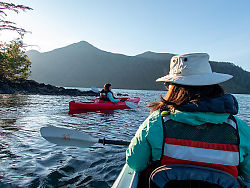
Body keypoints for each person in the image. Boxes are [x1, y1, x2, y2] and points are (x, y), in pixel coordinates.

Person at [126, 53, 250, 187]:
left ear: (173, 88)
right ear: (213, 85)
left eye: (168, 85)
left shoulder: (157, 122)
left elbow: (135, 163)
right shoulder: (239, 128)